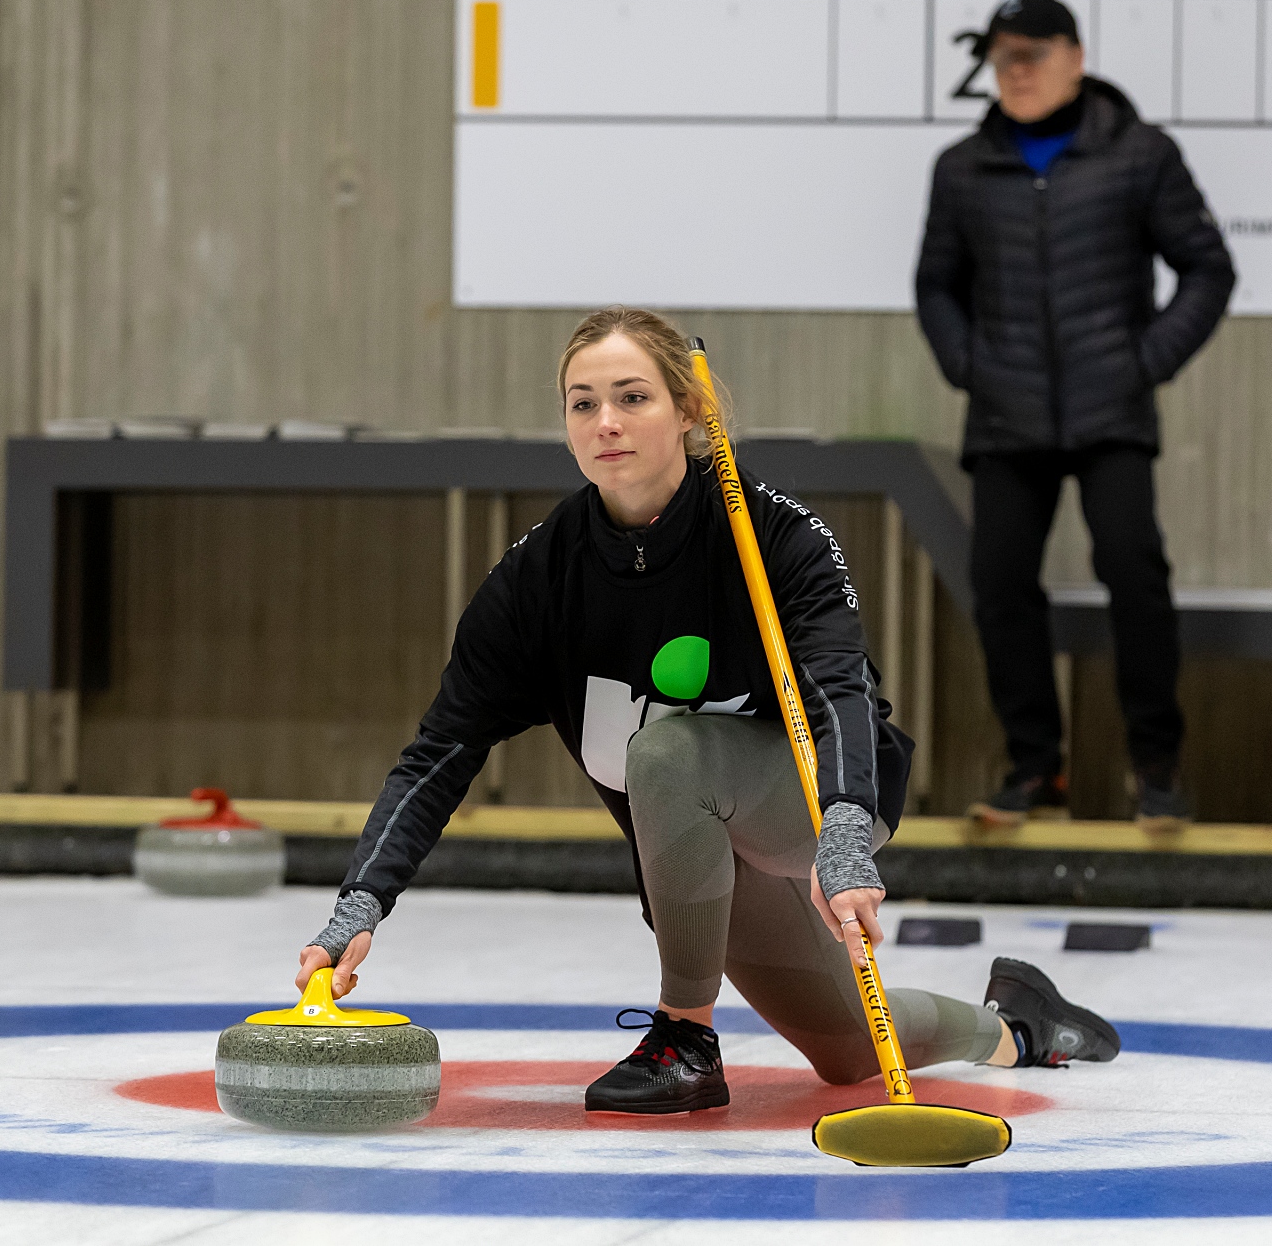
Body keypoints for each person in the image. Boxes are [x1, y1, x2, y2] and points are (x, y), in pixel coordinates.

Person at [298, 307, 1120, 1113]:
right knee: (846, 1049)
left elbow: (841, 691)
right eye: (583, 403)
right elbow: (440, 751)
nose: (605, 421)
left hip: (816, 798)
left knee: (667, 753)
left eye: (632, 396)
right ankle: (1020, 1023)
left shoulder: (777, 537)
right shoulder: (537, 582)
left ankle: (685, 1040)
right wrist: (359, 905)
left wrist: (842, 833)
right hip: (698, 846)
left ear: (689, 410)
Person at [916, 0, 1236, 827]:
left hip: (1109, 410)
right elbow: (936, 285)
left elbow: (1208, 268)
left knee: (1134, 570)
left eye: (1031, 55)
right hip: (1006, 412)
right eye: (1002, 59)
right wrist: (968, 366)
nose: (1015, 73)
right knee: (1000, 584)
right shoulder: (963, 168)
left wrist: (1145, 362)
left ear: (1075, 57)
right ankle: (1034, 769)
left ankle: (1156, 766)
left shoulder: (1139, 154)